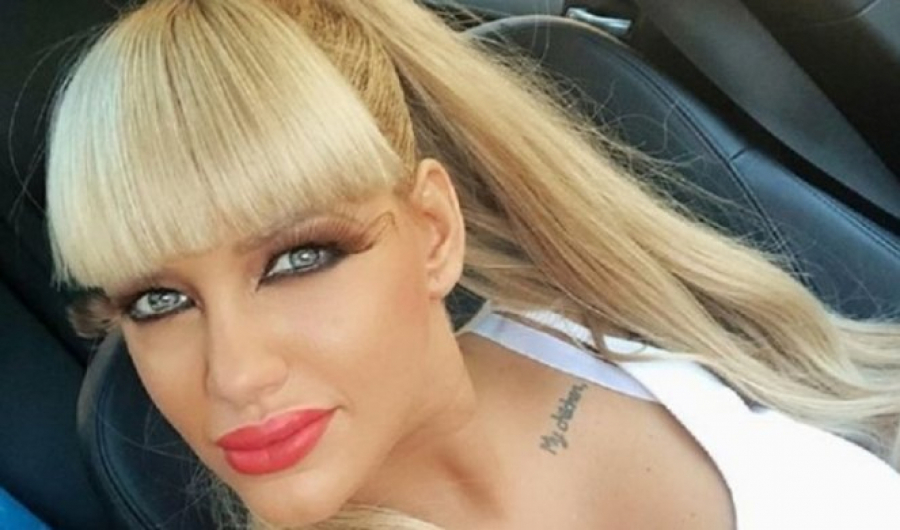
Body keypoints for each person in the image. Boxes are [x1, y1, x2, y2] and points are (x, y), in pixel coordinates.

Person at [45, 0, 900, 528]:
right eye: (157, 302)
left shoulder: (612, 311)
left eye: (298, 258)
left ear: (433, 231)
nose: (234, 375)